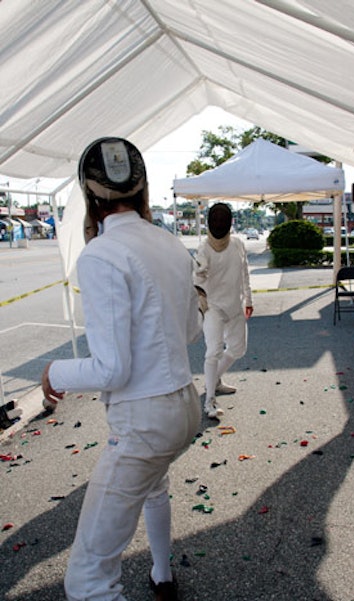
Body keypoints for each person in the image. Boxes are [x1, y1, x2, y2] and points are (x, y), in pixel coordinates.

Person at [41, 137, 203, 601]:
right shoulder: (171, 245)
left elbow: (111, 370)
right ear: (142, 190)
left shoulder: (100, 255)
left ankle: (161, 575)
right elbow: (191, 332)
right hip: (185, 408)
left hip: (145, 421)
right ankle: (162, 575)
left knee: (88, 580)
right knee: (155, 487)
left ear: (89, 197)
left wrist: (55, 372)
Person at [193, 203, 253, 419]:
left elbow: (245, 271)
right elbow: (197, 280)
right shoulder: (204, 249)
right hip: (213, 308)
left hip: (235, 305)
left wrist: (248, 299)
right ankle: (209, 400)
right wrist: (199, 273)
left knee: (238, 348)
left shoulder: (237, 244)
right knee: (213, 350)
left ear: (229, 224)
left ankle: (215, 380)